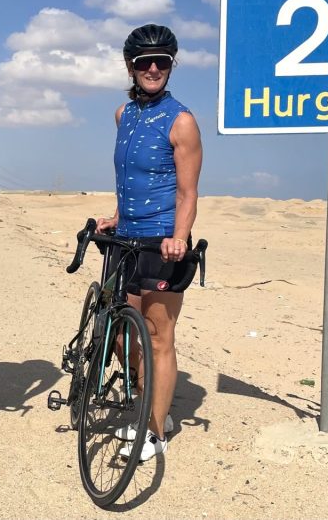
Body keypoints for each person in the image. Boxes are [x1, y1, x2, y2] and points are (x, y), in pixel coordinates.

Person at [95, 24, 203, 463]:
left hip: (162, 241)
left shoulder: (182, 121)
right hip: (126, 238)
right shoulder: (123, 114)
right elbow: (129, 177)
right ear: (131, 67)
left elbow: (187, 193)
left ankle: (154, 430)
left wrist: (179, 237)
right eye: (145, 62)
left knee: (158, 336)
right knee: (123, 337)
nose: (153, 68)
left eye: (162, 62)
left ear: (171, 66)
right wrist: (117, 216)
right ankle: (150, 405)